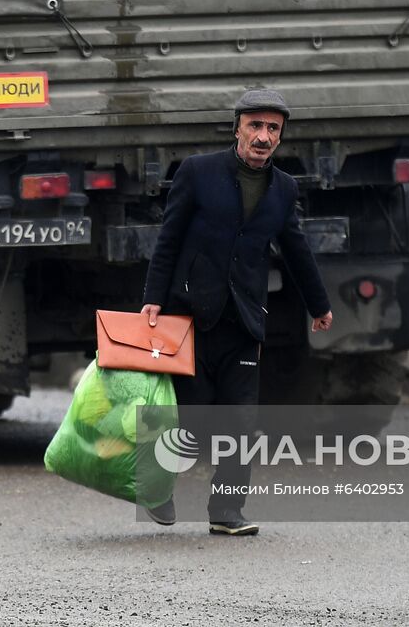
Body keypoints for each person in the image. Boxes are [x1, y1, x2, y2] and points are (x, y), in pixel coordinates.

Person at [139, 88, 334, 536]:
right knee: (188, 417)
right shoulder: (197, 172)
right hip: (190, 316)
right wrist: (153, 296)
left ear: (280, 137)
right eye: (255, 126)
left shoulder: (283, 189)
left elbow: (296, 250)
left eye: (272, 130)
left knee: (242, 422)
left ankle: (227, 512)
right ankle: (154, 487)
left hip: (244, 318)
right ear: (238, 127)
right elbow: (168, 238)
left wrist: (318, 305)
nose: (263, 137)